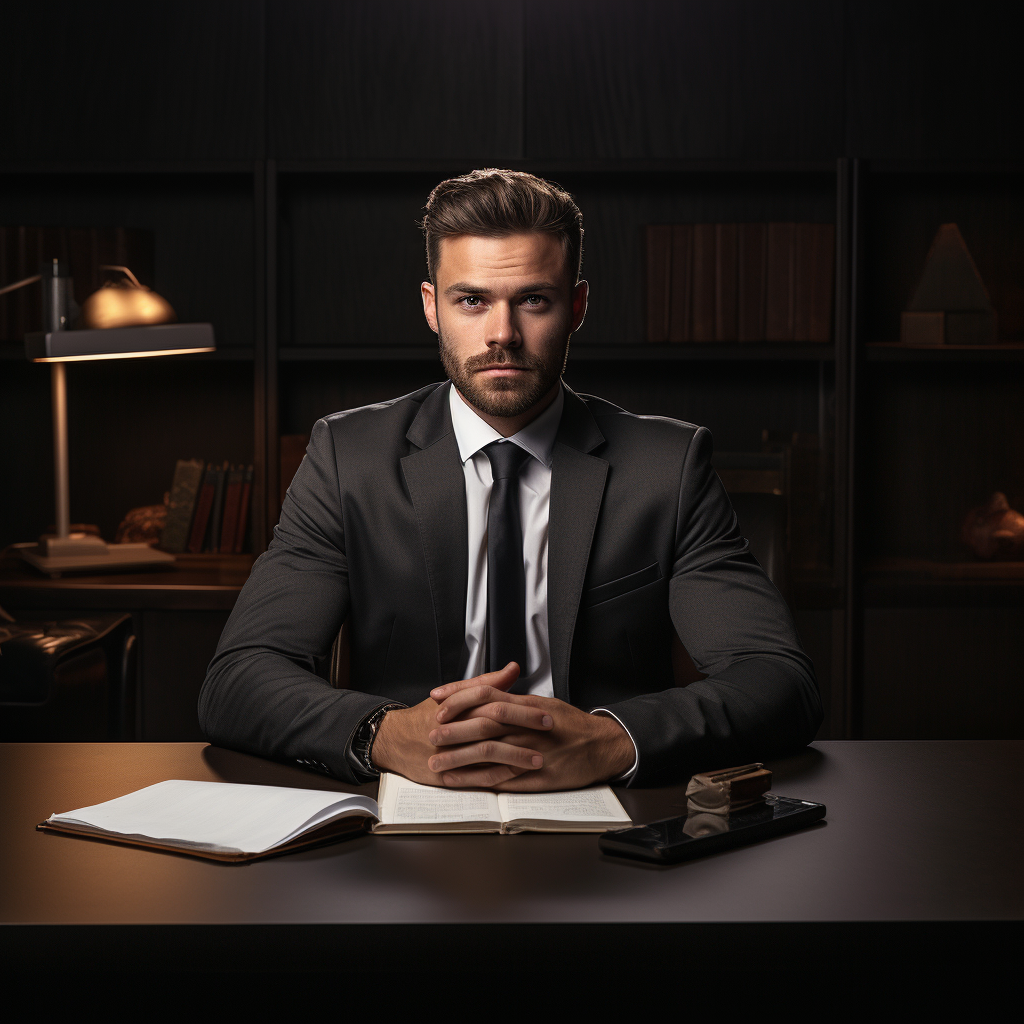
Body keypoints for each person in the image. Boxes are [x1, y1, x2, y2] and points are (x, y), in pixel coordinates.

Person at [199, 168, 822, 791]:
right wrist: (383, 734)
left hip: (608, 817)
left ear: (576, 306)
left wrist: (612, 739)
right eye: (471, 300)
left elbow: (777, 679)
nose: (502, 334)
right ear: (430, 307)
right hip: (404, 811)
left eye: (533, 300)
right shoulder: (347, 458)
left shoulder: (668, 466)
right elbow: (239, 678)